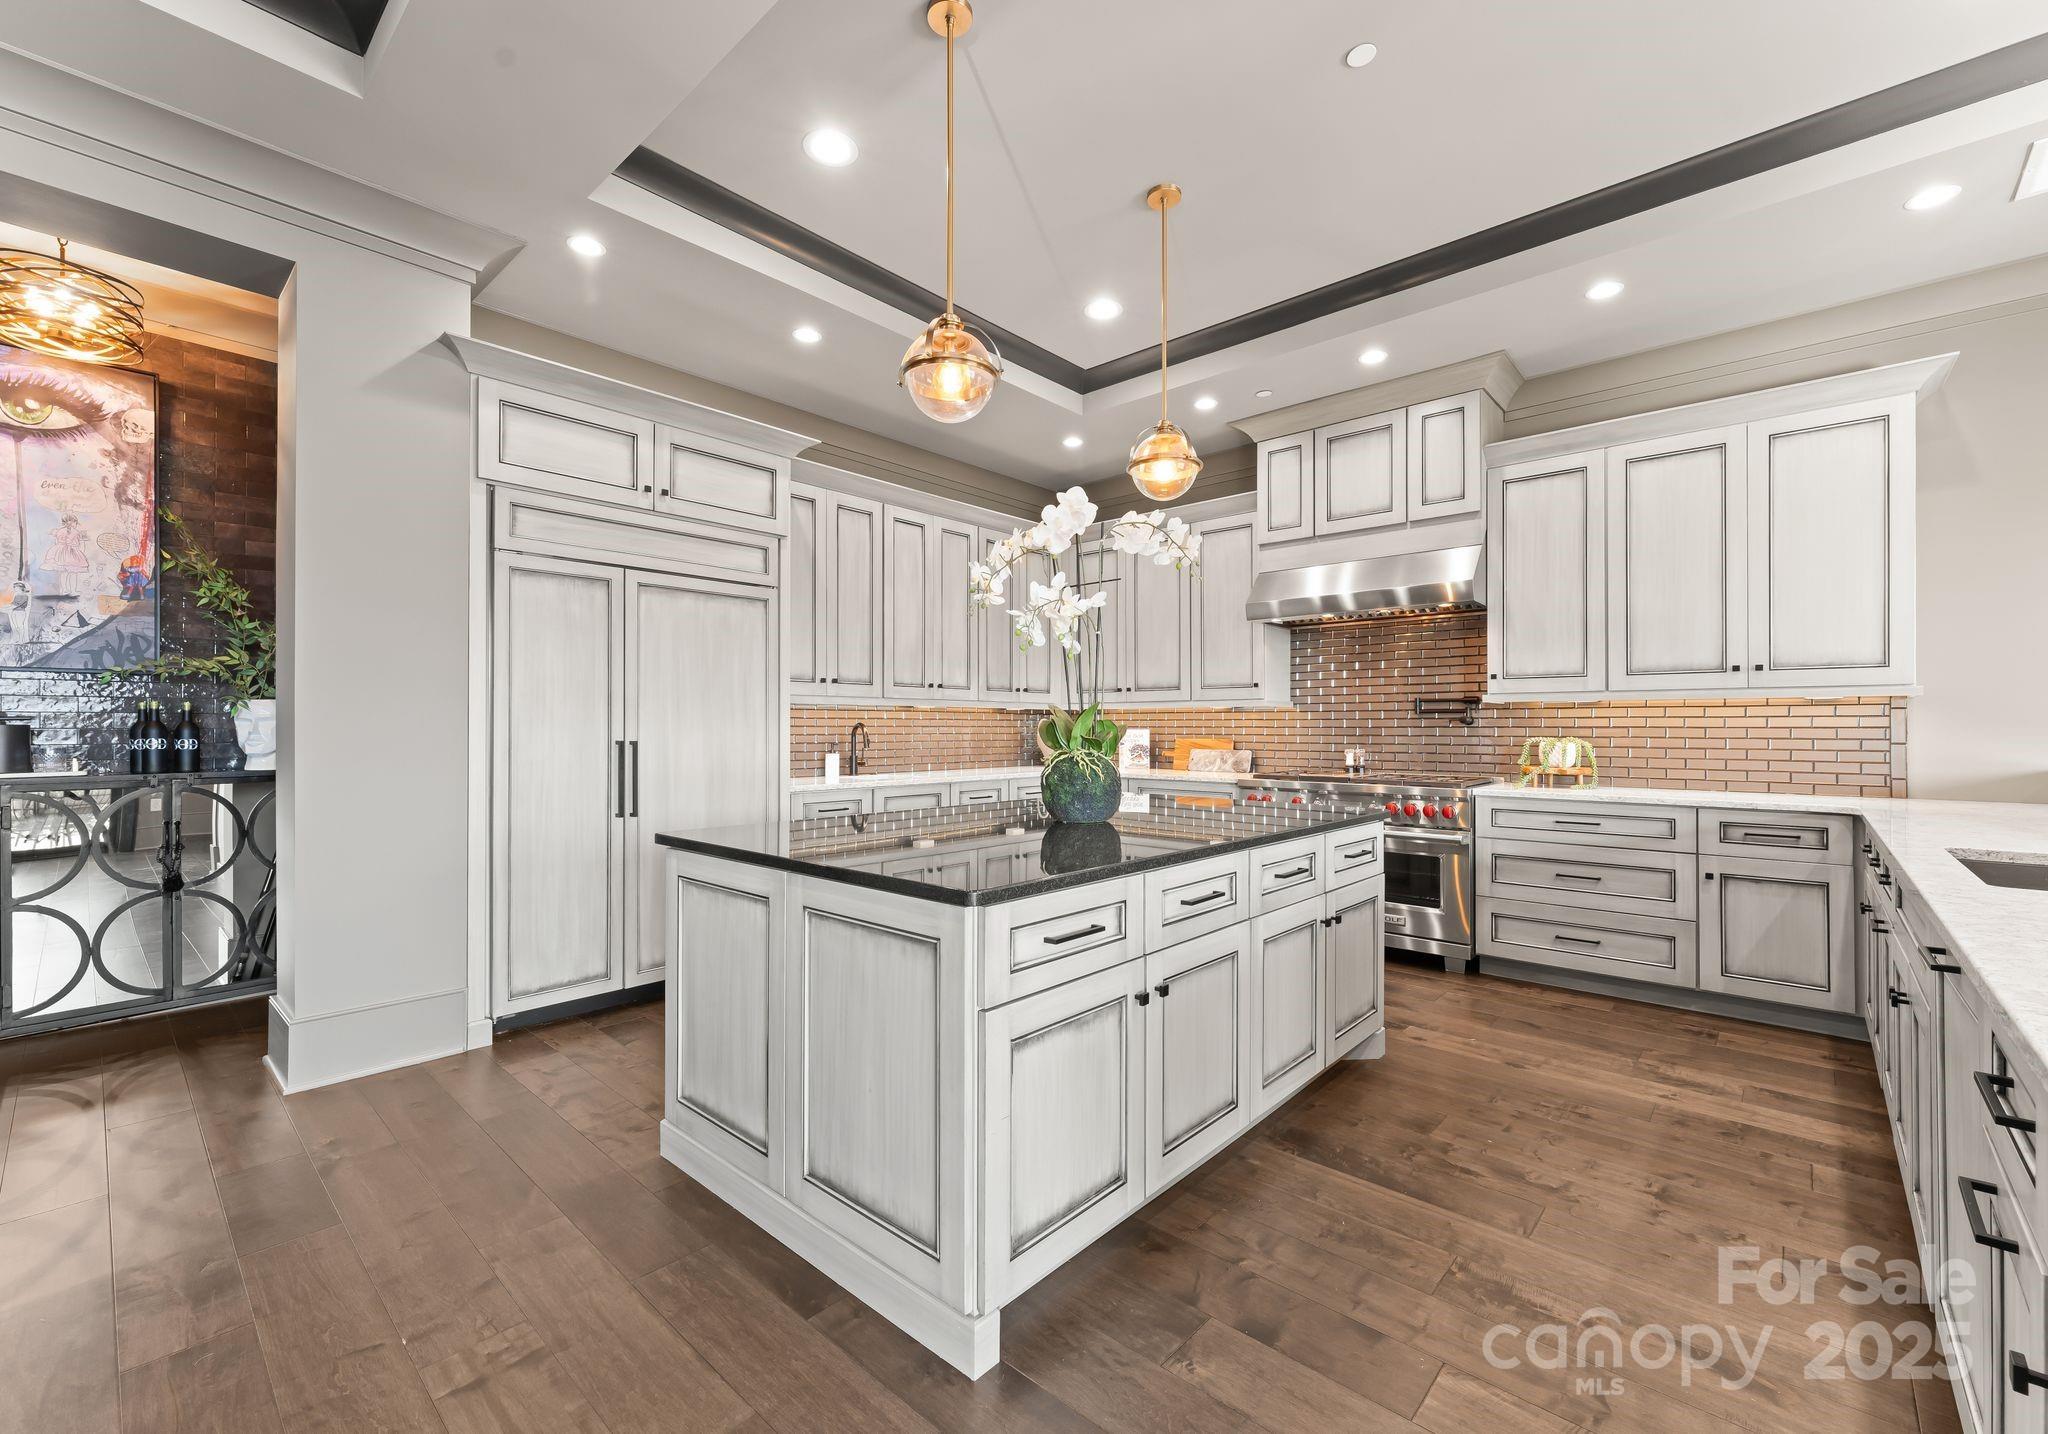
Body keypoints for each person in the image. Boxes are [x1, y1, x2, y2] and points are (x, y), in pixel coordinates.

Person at [40, 514, 90, 597]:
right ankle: (73, 590)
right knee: (73, 573)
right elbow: (76, 544)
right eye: (75, 522)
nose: (76, 524)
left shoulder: (59, 531)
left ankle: (64, 590)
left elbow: (57, 542)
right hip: (71, 553)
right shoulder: (76, 532)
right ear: (72, 522)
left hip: (59, 553)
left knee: (63, 573)